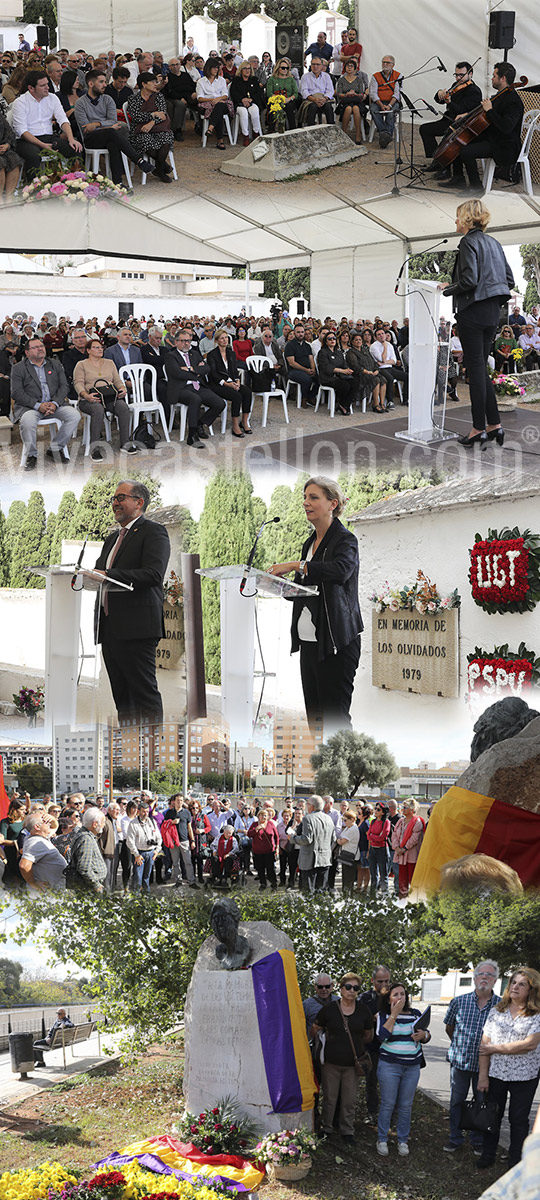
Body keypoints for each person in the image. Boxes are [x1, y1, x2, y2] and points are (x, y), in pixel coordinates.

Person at [269, 477, 362, 736]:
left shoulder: (346, 540)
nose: (305, 502)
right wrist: (277, 584)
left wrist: (294, 565)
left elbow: (340, 571)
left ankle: (347, 776)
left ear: (333, 503)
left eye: (313, 497)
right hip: (309, 643)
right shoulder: (308, 544)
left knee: (335, 720)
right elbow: (303, 592)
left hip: (336, 643)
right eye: (305, 497)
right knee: (316, 722)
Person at [93, 480, 171, 724]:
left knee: (144, 696)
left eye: (121, 498)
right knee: (123, 699)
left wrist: (109, 575)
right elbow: (99, 573)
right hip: (109, 628)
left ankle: (154, 754)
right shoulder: (111, 539)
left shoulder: (153, 531)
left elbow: (153, 575)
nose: (115, 503)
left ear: (139, 502)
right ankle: (129, 753)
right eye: (114, 499)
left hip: (137, 628)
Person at [442, 199, 514, 447]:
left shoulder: (468, 242)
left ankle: (477, 429)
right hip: (492, 313)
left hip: (472, 312)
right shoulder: (494, 243)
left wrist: (448, 289)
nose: (455, 221)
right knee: (481, 369)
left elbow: (470, 280)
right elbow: (509, 280)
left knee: (475, 370)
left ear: (466, 219)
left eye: (457, 216)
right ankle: (494, 425)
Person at [477, 967, 540, 1170]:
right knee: (492, 1116)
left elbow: (530, 1044)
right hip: (496, 1074)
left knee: (518, 1120)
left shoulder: (537, 1015)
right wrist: (483, 1076)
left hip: (525, 1076)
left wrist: (495, 1048)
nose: (515, 986)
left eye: (522, 984)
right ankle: (488, 1154)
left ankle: (515, 1161)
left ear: (531, 990)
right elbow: (483, 1046)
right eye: (513, 982)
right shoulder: (497, 1011)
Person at [443, 961, 501, 1155]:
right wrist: (461, 1046)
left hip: (486, 1066)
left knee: (481, 1103)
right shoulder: (459, 1001)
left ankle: (477, 1141)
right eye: (481, 974)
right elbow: (449, 1028)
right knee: (456, 1101)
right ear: (475, 978)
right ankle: (455, 1138)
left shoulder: (501, 1006)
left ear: (495, 980)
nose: (484, 977)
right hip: (460, 1062)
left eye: (489, 975)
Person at [438, 62, 524, 192]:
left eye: (494, 75)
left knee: (466, 151)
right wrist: (467, 115)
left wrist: (490, 110)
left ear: (503, 78)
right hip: (493, 136)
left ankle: (476, 187)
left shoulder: (513, 101)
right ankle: (458, 177)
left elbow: (506, 127)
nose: (491, 78)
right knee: (460, 139)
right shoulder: (501, 95)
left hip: (504, 145)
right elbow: (484, 114)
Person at [313, 972, 374, 1143]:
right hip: (330, 1063)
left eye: (356, 988)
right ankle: (327, 1128)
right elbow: (315, 1028)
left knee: (349, 1099)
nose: (351, 991)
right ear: (340, 989)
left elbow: (368, 1035)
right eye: (348, 987)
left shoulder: (363, 1010)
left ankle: (347, 1131)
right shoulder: (330, 1009)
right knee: (330, 1098)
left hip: (352, 1065)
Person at [376, 981, 431, 1157]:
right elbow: (382, 1037)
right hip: (389, 1066)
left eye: (402, 994)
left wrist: (424, 1035)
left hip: (411, 1067)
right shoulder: (383, 1015)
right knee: (388, 1104)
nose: (400, 997)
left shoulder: (415, 1014)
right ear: (388, 998)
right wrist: (394, 1015)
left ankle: (402, 1140)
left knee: (406, 1105)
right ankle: (382, 1139)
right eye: (396, 994)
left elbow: (426, 1034)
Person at [11, 336, 80, 470]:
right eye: (35, 347)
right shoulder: (19, 368)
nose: (40, 349)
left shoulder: (54, 363)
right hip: (30, 407)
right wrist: (38, 405)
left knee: (74, 415)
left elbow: (64, 386)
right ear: (27, 352)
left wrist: (54, 403)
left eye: (41, 346)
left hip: (54, 405)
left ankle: (55, 448)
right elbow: (16, 393)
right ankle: (32, 455)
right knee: (27, 421)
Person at [75, 69, 154, 185]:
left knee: (113, 144)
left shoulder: (107, 99)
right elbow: (85, 128)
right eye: (101, 82)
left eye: (105, 82)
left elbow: (113, 120)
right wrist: (107, 126)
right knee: (112, 132)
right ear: (91, 84)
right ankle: (138, 159)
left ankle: (118, 183)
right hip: (90, 139)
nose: (105, 85)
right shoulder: (80, 103)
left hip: (107, 136)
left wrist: (96, 124)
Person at [11, 70, 83, 178]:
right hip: (26, 140)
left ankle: (74, 183)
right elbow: (21, 131)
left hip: (48, 137)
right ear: (31, 88)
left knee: (75, 148)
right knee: (34, 155)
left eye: (47, 84)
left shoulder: (52, 98)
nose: (47, 88)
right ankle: (33, 189)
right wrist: (42, 145)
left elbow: (63, 119)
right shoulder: (20, 102)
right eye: (43, 85)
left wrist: (71, 138)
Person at [73, 337, 132, 460]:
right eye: (96, 347)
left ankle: (125, 442)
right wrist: (85, 395)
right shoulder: (82, 364)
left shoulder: (109, 363)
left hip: (109, 396)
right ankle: (95, 448)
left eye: (101, 347)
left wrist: (122, 389)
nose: (100, 349)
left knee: (123, 407)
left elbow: (117, 380)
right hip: (89, 398)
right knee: (98, 409)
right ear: (88, 350)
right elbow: (78, 383)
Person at [166, 326, 225, 448]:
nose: (186, 343)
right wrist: (196, 372)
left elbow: (206, 369)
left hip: (197, 386)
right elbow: (176, 373)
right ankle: (192, 436)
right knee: (195, 399)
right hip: (180, 389)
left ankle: (199, 424)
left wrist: (190, 369)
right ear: (176, 342)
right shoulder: (171, 356)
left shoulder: (195, 354)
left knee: (220, 403)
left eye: (188, 340)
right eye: (183, 341)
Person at [421, 62, 482, 179]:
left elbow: (462, 111)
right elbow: (440, 100)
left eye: (461, 75)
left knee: (447, 136)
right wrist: (439, 93)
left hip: (461, 124)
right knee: (425, 129)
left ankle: (445, 167)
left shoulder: (474, 91)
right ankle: (437, 160)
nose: (458, 78)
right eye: (456, 74)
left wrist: (450, 102)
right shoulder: (455, 85)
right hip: (448, 120)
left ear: (471, 75)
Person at [125, 71, 174, 182]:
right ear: (144, 84)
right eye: (152, 82)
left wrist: (151, 123)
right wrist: (152, 114)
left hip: (158, 127)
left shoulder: (159, 96)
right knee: (145, 141)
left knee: (166, 139)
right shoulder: (133, 99)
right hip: (140, 130)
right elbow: (135, 116)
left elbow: (162, 114)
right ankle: (163, 166)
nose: (155, 84)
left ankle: (159, 169)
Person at [360, 965, 392, 1123]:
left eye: (387, 981)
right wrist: (373, 1017)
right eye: (380, 981)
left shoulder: (394, 995)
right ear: (372, 980)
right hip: (372, 1048)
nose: (384, 985)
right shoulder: (365, 998)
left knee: (391, 1084)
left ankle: (390, 1114)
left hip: (392, 1048)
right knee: (372, 1082)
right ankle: (372, 1113)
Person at [207, 327, 252, 437]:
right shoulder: (212, 355)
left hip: (231, 382)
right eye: (222, 338)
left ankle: (244, 421)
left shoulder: (231, 353)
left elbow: (234, 370)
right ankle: (235, 425)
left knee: (247, 392)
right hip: (218, 384)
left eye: (226, 338)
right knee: (236, 396)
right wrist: (227, 384)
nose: (225, 340)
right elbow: (213, 374)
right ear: (217, 341)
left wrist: (237, 381)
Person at [287, 794, 336, 892]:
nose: (306, 806)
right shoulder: (328, 819)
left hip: (310, 860)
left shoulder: (308, 818)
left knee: (308, 892)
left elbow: (307, 839)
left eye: (308, 804)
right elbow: (333, 839)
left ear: (312, 806)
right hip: (325, 859)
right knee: (321, 892)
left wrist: (292, 838)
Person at [19, 812, 67, 892]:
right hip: (46, 892)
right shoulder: (34, 842)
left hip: (53, 889)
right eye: (45, 822)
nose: (49, 823)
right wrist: (33, 884)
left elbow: (54, 827)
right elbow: (24, 865)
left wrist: (52, 819)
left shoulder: (41, 836)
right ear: (37, 827)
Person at [162, 793, 198, 888]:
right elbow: (164, 826)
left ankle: (191, 881)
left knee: (188, 862)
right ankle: (178, 881)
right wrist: (172, 822)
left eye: (181, 800)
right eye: (178, 800)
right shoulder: (169, 813)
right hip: (173, 842)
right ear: (174, 802)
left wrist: (193, 840)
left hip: (184, 840)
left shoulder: (186, 812)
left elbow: (189, 828)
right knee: (175, 863)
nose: (180, 802)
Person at [67, 807, 107, 893]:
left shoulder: (86, 835)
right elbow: (84, 867)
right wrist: (96, 884)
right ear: (95, 824)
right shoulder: (86, 839)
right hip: (88, 888)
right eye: (103, 822)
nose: (104, 825)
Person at [125, 798, 162, 893]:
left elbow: (159, 838)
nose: (145, 813)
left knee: (147, 877)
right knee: (137, 877)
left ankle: (146, 896)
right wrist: (136, 855)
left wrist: (157, 851)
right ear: (138, 811)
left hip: (151, 853)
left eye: (147, 811)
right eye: (143, 811)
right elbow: (130, 841)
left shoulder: (152, 822)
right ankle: (136, 897)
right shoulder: (133, 824)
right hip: (139, 853)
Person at [317, 329, 356, 415]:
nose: (332, 340)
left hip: (340, 376)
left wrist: (348, 370)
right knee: (345, 385)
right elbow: (327, 368)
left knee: (355, 382)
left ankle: (343, 405)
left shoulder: (338, 352)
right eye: (329, 339)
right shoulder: (322, 352)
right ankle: (343, 405)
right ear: (326, 341)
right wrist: (343, 371)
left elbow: (344, 364)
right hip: (327, 378)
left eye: (334, 338)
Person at [391, 799, 425, 898]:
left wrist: (404, 848)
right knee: (402, 878)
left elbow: (414, 838)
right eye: (402, 807)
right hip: (400, 855)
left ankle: (414, 900)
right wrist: (397, 848)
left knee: (412, 879)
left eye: (405, 807)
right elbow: (394, 835)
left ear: (412, 809)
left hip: (411, 855)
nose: (403, 809)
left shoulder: (417, 822)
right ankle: (402, 898)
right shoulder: (400, 821)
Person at [196, 59, 232, 150]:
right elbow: (200, 98)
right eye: (214, 68)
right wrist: (214, 100)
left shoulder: (221, 80)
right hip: (207, 104)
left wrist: (218, 99)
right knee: (218, 110)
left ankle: (210, 128)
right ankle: (220, 140)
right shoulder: (201, 81)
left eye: (218, 68)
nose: (217, 70)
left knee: (219, 106)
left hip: (222, 102)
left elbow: (225, 95)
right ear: (208, 68)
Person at [369, 55, 400, 148]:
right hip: (379, 101)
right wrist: (381, 104)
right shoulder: (375, 76)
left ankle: (384, 136)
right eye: (383, 62)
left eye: (387, 62)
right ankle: (386, 135)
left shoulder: (398, 76)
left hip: (392, 102)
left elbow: (397, 93)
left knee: (391, 113)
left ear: (393, 65)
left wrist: (389, 105)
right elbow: (373, 93)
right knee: (374, 110)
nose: (385, 64)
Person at [335, 58, 368, 143]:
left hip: (357, 101)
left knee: (356, 109)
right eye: (347, 66)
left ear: (355, 68)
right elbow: (339, 93)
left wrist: (355, 94)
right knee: (348, 109)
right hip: (345, 101)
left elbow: (361, 94)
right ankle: (344, 133)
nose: (349, 68)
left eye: (351, 66)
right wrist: (346, 94)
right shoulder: (341, 80)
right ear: (345, 68)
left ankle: (358, 135)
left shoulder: (359, 80)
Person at [164, 56, 198, 140]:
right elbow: (170, 91)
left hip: (189, 96)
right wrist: (180, 98)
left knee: (200, 102)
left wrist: (195, 92)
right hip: (174, 98)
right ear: (169, 67)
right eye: (172, 65)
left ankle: (200, 126)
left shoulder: (186, 75)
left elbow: (193, 85)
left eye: (177, 64)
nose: (175, 67)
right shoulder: (168, 77)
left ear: (180, 65)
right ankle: (177, 130)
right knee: (180, 105)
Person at [230, 61, 263, 145]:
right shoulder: (236, 80)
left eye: (249, 69)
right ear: (241, 70)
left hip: (252, 102)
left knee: (255, 110)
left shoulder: (254, 80)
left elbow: (259, 93)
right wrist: (242, 99)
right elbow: (233, 93)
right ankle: (246, 135)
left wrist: (251, 99)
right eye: (245, 69)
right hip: (240, 103)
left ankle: (256, 133)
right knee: (243, 112)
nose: (247, 71)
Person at [247, 806, 278, 890]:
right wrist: (256, 829)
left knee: (270, 869)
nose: (263, 817)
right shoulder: (254, 824)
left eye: (265, 815)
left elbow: (276, 837)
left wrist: (277, 847)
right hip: (258, 851)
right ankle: (263, 883)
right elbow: (249, 834)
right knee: (260, 869)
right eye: (262, 815)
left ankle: (274, 884)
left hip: (269, 851)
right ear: (258, 816)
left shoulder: (271, 824)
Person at [299, 56, 335, 127]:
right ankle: (311, 129)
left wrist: (324, 99)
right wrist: (314, 99)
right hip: (311, 99)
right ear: (311, 65)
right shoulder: (305, 76)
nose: (315, 66)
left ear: (321, 66)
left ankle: (331, 129)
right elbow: (304, 91)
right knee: (313, 106)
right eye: (313, 64)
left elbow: (330, 90)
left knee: (328, 107)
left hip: (324, 99)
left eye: (318, 64)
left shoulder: (326, 76)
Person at [266, 60, 298, 131]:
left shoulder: (291, 79)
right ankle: (271, 131)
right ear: (278, 68)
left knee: (289, 107)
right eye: (283, 68)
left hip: (288, 100)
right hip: (275, 100)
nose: (285, 70)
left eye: (287, 68)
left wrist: (289, 99)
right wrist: (277, 99)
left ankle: (293, 130)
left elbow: (295, 93)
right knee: (273, 109)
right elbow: (269, 93)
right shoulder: (272, 79)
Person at [0, 104, 23, 202]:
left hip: (2, 149)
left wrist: (7, 145)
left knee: (13, 158)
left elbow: (10, 133)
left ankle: (9, 198)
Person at [367, 801, 391, 895]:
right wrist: (374, 836)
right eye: (375, 808)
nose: (375, 811)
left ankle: (385, 895)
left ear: (383, 812)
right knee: (373, 874)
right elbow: (368, 835)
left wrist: (373, 836)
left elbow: (383, 837)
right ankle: (373, 894)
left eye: (378, 809)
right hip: (373, 849)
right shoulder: (373, 821)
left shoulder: (386, 822)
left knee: (383, 875)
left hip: (382, 850)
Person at [336, 809, 360, 892]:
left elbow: (341, 841)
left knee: (348, 880)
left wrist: (338, 840)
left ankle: (348, 898)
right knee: (345, 879)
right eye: (343, 820)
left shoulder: (352, 829)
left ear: (352, 819)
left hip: (350, 856)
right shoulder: (348, 828)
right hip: (345, 855)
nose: (344, 822)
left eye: (345, 820)